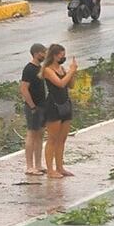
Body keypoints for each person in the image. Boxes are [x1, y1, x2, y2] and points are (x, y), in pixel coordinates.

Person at [42, 44, 77, 178]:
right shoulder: (47, 70)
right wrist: (71, 71)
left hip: (65, 104)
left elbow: (70, 85)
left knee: (62, 139)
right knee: (52, 138)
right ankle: (50, 170)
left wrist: (72, 72)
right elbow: (60, 84)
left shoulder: (62, 69)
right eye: (61, 55)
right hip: (53, 106)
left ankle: (60, 167)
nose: (63, 57)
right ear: (54, 56)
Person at [19, 43, 47, 176]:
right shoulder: (29, 69)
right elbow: (24, 88)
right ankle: (29, 166)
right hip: (33, 107)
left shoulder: (39, 68)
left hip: (42, 106)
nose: (45, 55)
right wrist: (32, 106)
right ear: (36, 53)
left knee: (40, 134)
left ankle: (38, 164)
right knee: (31, 134)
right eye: (43, 52)